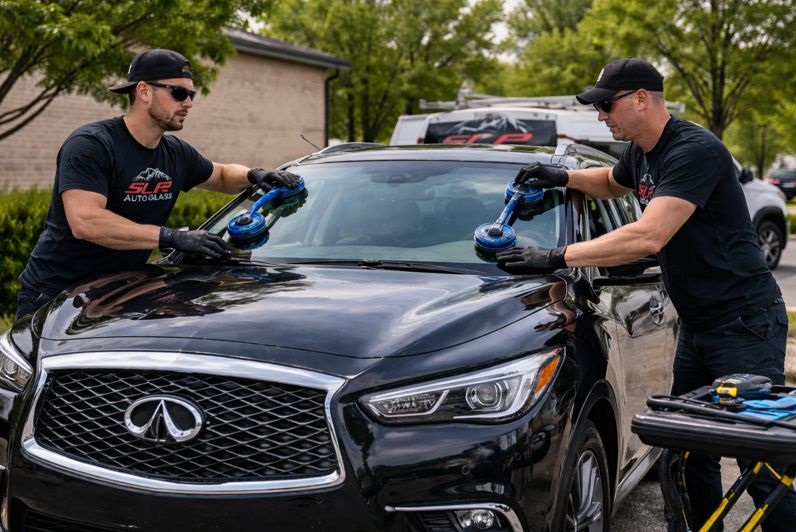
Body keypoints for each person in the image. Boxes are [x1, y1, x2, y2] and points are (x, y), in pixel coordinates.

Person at [496, 57, 794, 531]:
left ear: (641, 99)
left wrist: (556, 256)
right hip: (699, 327)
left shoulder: (694, 151)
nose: (601, 116)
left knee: (758, 460)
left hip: (745, 323)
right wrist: (563, 177)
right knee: (689, 452)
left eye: (606, 105)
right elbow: (612, 184)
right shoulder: (641, 151)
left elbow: (648, 237)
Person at [16, 48, 300, 320]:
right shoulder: (92, 145)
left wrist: (255, 175)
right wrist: (172, 237)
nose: (188, 103)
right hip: (56, 296)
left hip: (120, 292)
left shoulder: (175, 153)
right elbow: (86, 221)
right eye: (178, 93)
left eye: (191, 95)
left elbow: (223, 175)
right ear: (143, 91)